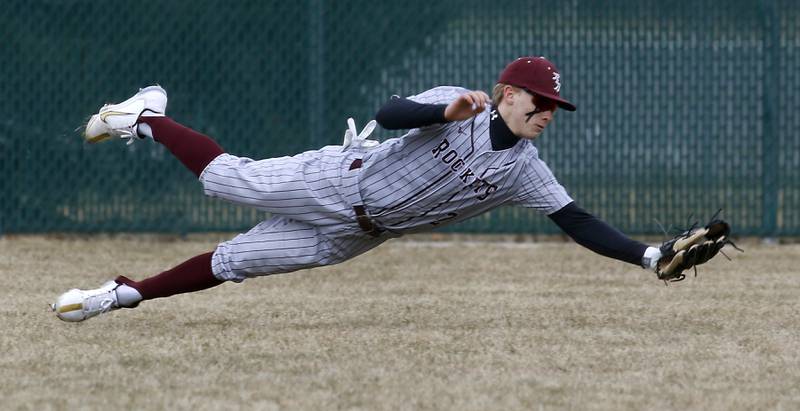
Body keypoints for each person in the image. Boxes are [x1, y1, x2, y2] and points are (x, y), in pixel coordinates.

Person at [52, 56, 665, 322]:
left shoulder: (525, 169)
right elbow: (390, 111)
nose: (549, 111)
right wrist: (442, 115)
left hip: (355, 236)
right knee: (221, 178)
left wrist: (649, 257)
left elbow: (579, 222)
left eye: (555, 105)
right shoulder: (462, 105)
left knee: (232, 262)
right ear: (508, 93)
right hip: (337, 183)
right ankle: (148, 115)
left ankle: (122, 295)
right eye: (541, 100)